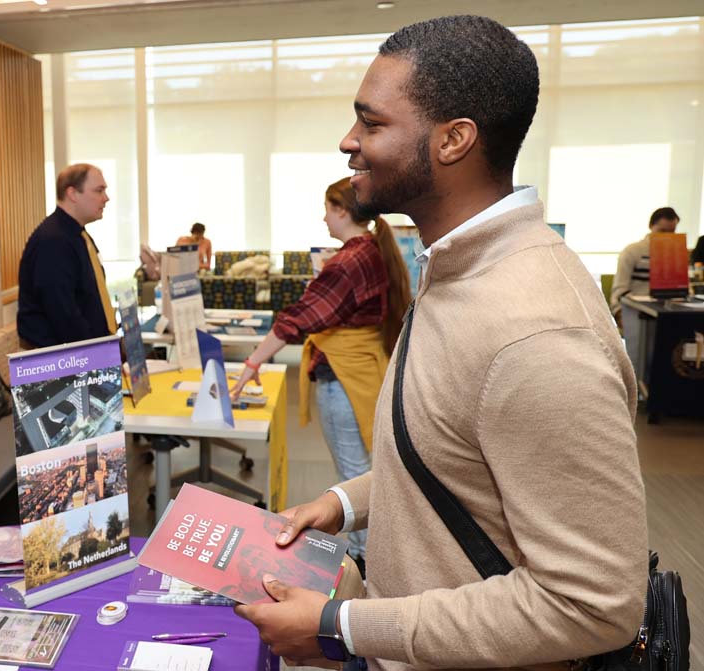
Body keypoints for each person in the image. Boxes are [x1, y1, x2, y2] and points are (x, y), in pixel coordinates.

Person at [234, 16, 646, 670]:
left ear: (453, 139)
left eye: (371, 124)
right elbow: (451, 449)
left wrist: (343, 624)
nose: (348, 142)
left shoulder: (535, 331)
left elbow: (591, 604)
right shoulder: (457, 272)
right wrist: (341, 502)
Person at [229, 176, 411, 567]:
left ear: (343, 211)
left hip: (343, 379)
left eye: (328, 209)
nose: (324, 217)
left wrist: (252, 363)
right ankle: (371, 555)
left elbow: (297, 320)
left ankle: (364, 562)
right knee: (364, 468)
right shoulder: (370, 251)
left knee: (354, 476)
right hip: (363, 372)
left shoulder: (347, 262)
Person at [17, 163, 116, 348]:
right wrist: (97, 354)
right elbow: (63, 314)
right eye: (99, 190)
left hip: (83, 355)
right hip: (62, 362)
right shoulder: (53, 241)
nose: (106, 198)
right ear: (72, 194)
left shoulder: (79, 236)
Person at [610, 206, 679, 314]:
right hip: (637, 311)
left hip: (669, 310)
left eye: (672, 231)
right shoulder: (632, 251)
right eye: (662, 231)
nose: (667, 236)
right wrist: (619, 314)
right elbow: (619, 290)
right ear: (651, 226)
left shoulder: (677, 253)